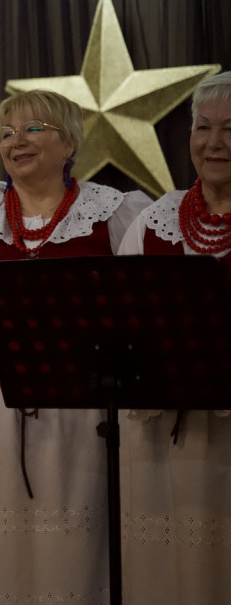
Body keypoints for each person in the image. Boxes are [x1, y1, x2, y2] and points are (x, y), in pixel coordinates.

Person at [0, 89, 150, 602]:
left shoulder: (115, 212)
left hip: (75, 397)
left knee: (71, 524)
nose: (16, 141)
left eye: (33, 129)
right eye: (6, 132)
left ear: (69, 142)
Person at [116, 70, 231, 603]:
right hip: (159, 430)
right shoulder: (156, 219)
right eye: (203, 128)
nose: (215, 143)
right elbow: (118, 315)